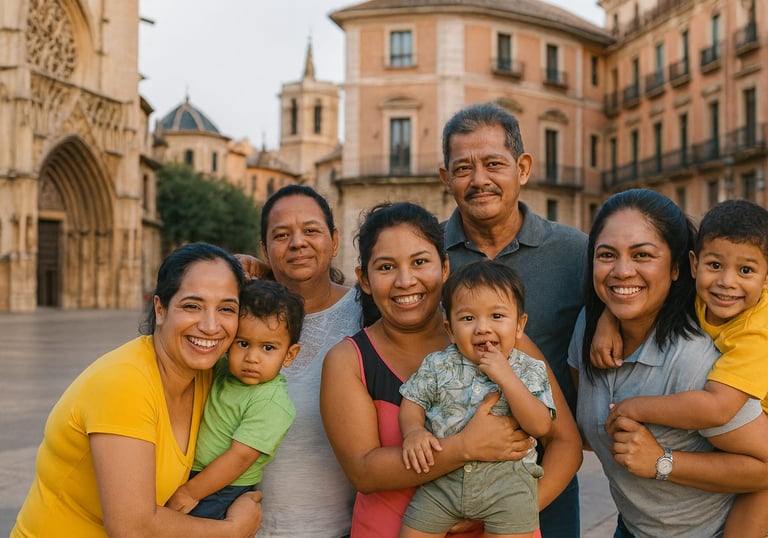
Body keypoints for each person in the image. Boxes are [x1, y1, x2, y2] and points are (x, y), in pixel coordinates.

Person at [320, 202, 579, 538]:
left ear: (444, 267)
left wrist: (513, 511)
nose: (405, 280)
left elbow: (565, 442)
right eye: (386, 267)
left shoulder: (500, 343)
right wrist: (465, 447)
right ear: (364, 279)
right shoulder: (349, 360)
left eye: (419, 262)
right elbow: (364, 471)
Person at [12, 242, 263, 537]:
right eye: (192, 306)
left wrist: (267, 269)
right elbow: (131, 528)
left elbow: (283, 322)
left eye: (226, 309)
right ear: (160, 308)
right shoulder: (125, 382)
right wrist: (233, 531)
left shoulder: (206, 373)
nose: (211, 326)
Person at [567, 189, 768, 537]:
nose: (622, 270)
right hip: (632, 528)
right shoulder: (590, 324)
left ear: (676, 267)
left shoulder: (701, 359)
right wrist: (606, 318)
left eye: (642, 254)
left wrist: (663, 461)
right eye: (607, 254)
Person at [439, 102, 585, 535]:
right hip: (445, 483)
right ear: (445, 177)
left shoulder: (577, 253)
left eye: (493, 164)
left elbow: (634, 299)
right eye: (463, 168)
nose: (478, 179)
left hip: (548, 478)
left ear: (522, 168)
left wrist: (610, 321)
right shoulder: (426, 258)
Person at [399, 261, 556, 538]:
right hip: (442, 481)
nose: (482, 328)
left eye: (497, 316)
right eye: (468, 319)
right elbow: (413, 401)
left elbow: (540, 426)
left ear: (519, 325)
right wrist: (412, 431)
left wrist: (507, 378)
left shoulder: (529, 368)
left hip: (510, 485)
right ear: (449, 328)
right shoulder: (438, 364)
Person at [252, 184, 361, 537]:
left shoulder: (370, 313)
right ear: (265, 250)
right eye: (282, 235)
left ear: (334, 240)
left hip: (346, 529)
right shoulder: (240, 318)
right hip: (251, 528)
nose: (298, 243)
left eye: (311, 230)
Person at [166, 279, 303, 520]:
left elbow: (239, 458)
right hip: (194, 473)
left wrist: (190, 492)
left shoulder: (271, 402)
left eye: (268, 348)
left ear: (290, 354)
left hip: (223, 487)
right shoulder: (222, 370)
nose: (252, 357)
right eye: (243, 343)